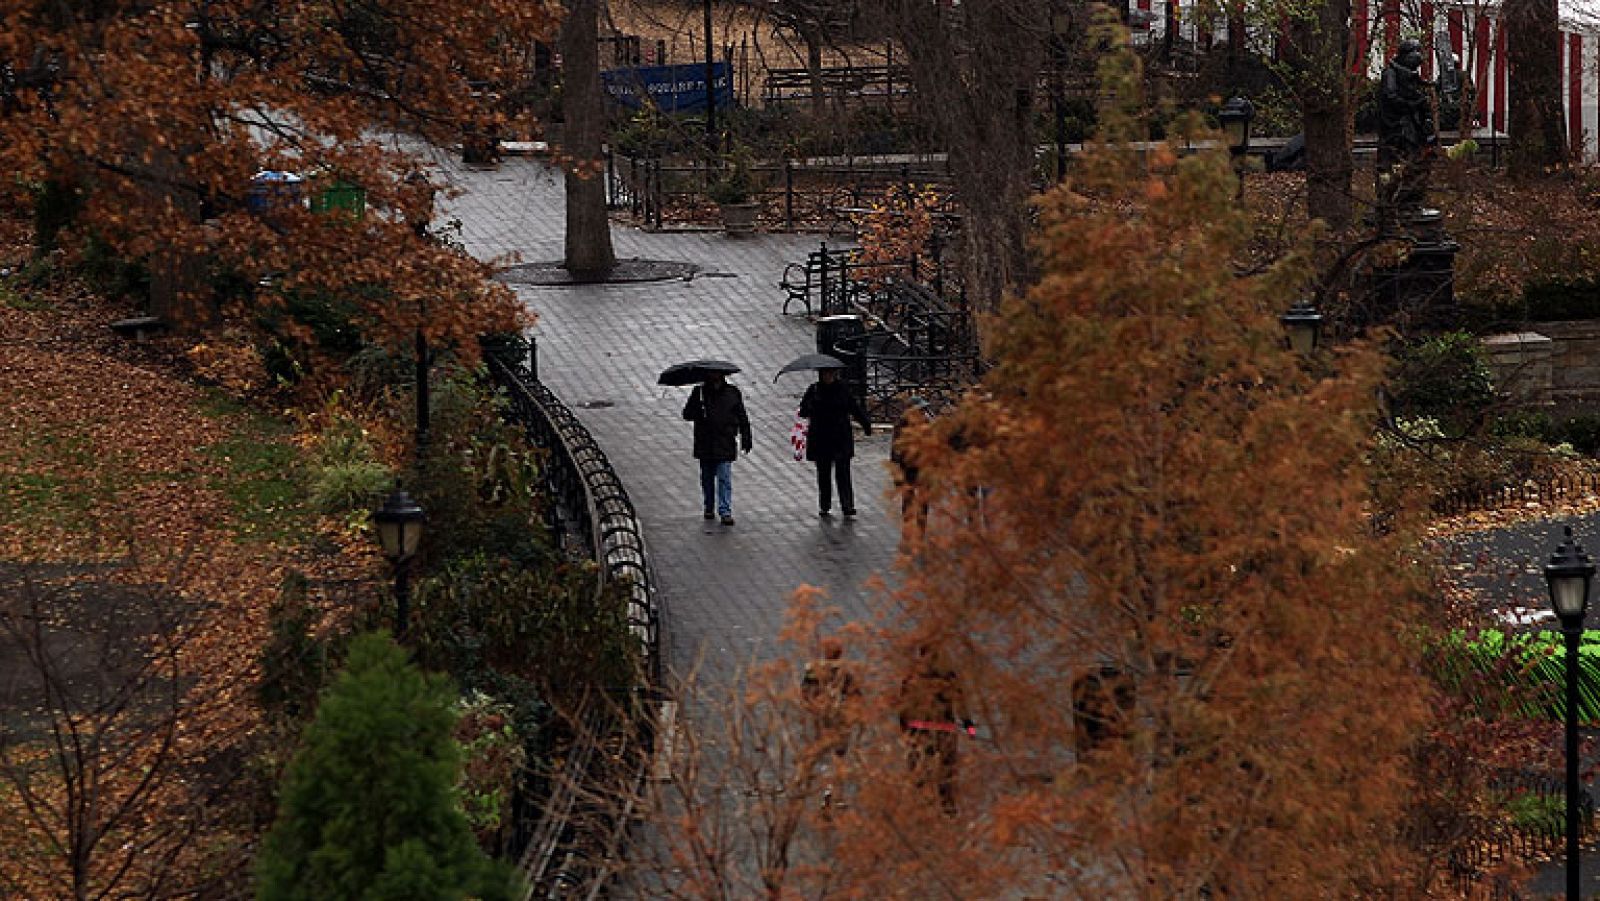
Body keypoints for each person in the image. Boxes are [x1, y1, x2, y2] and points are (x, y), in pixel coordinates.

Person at [897, 644, 970, 815]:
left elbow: (904, 706)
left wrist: (904, 728)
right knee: (947, 768)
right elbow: (960, 703)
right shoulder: (949, 677)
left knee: (918, 768)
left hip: (918, 728)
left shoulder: (911, 677)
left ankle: (919, 804)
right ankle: (947, 805)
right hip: (944, 728)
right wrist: (969, 725)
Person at [798, 368, 872, 518]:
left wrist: (865, 424)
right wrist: (811, 404)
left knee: (843, 473)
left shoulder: (842, 389)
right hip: (821, 438)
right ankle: (825, 505)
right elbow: (803, 411)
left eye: (831, 374)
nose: (828, 377)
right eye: (825, 374)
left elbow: (854, 408)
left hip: (840, 436)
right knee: (824, 474)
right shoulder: (814, 390)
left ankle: (847, 505)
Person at [682, 372, 752, 525]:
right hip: (705, 443)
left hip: (724, 442)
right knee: (707, 478)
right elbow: (686, 414)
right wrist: (698, 410)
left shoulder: (732, 393)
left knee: (724, 478)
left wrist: (746, 438)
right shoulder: (699, 392)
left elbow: (742, 416)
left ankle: (725, 510)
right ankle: (709, 506)